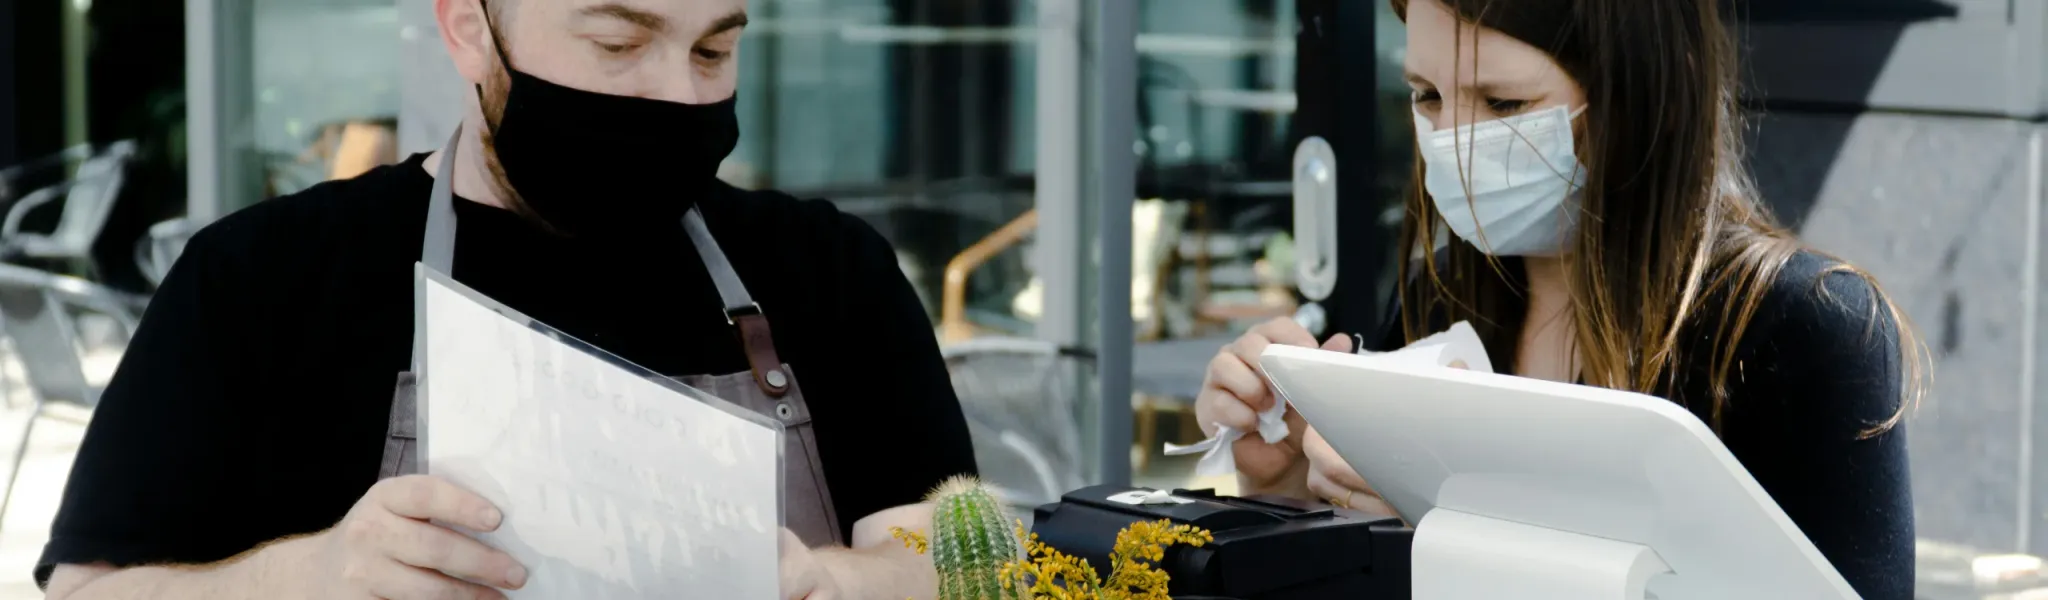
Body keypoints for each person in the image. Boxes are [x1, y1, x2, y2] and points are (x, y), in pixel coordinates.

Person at [37, 0, 976, 598]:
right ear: (469, 30)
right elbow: (89, 590)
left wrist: (835, 583)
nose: (675, 95)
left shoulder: (829, 270)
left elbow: (949, 554)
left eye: (713, 50)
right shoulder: (260, 277)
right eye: (618, 42)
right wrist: (306, 575)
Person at [1196, 0, 1921, 598]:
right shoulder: (1440, 293)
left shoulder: (1805, 327)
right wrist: (1287, 490)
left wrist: (1459, 536)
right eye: (1427, 95)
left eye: (1504, 102)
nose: (1452, 142)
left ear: (1649, 92)